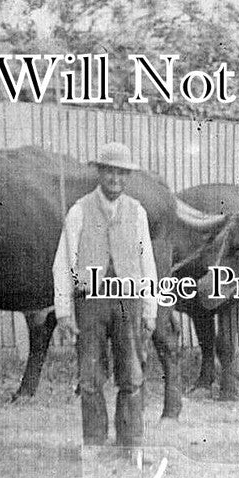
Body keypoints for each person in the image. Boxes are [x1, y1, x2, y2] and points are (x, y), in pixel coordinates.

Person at [52, 142, 158, 449]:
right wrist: (63, 311)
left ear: (128, 176)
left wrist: (150, 310)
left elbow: (147, 263)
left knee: (133, 374)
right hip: (91, 304)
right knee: (90, 376)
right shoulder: (79, 211)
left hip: (129, 303)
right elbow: (63, 263)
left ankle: (131, 443)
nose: (116, 179)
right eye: (110, 171)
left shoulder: (137, 212)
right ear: (100, 173)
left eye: (122, 173)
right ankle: (94, 443)